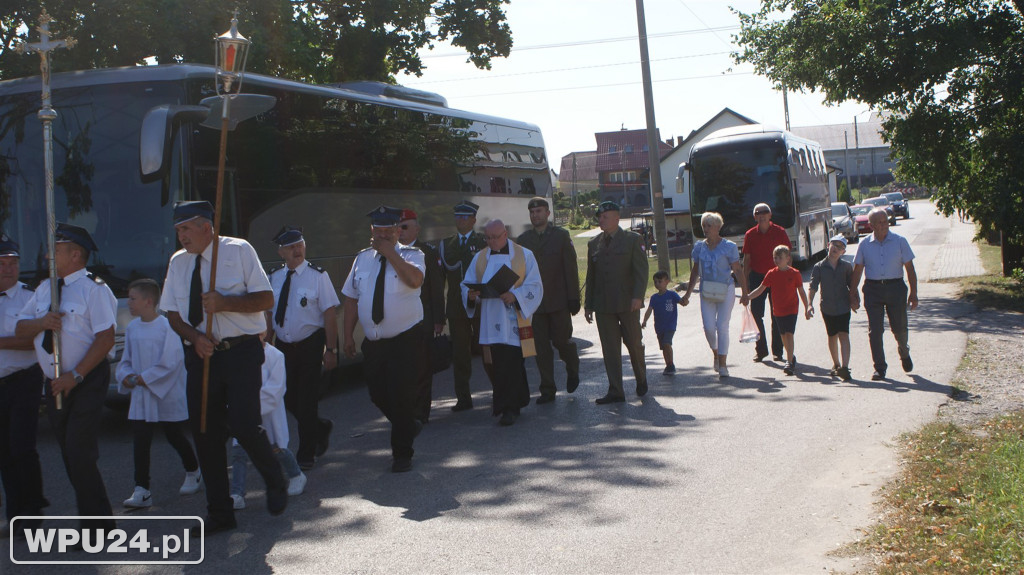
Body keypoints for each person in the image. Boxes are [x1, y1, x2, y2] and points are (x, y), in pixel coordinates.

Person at [161, 200, 287, 535]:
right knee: (205, 432)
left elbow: (265, 299)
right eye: (177, 230)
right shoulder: (178, 263)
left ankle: (275, 478)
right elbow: (172, 313)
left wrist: (225, 302)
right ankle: (220, 512)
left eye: (186, 228)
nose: (181, 236)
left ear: (206, 226)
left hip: (240, 350)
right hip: (201, 354)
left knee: (244, 424)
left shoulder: (238, 251)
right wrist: (194, 337)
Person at [16, 223, 117, 533]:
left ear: (76, 255)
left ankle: (95, 529)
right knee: (70, 455)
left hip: (84, 378)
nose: (49, 255)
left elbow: (106, 338)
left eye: (56, 250)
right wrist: (42, 322)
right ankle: (101, 523)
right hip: (55, 382)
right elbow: (21, 329)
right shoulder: (45, 289)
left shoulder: (94, 288)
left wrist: (75, 375)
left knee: (79, 452)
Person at [342, 205, 428, 472]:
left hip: (406, 339)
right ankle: (408, 425)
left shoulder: (413, 255)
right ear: (372, 231)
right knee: (377, 393)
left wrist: (391, 254)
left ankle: (402, 454)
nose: (384, 235)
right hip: (375, 342)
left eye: (389, 231)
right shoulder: (362, 259)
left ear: (397, 231)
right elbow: (351, 299)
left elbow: (415, 281)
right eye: (379, 231)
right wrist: (347, 336)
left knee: (401, 394)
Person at [116, 278, 201, 509]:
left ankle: (193, 470)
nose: (129, 303)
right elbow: (126, 360)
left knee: (174, 435)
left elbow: (171, 361)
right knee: (140, 440)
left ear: (148, 301)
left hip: (164, 392)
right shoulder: (132, 328)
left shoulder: (167, 326)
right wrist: (125, 375)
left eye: (133, 299)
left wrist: (146, 378)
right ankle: (142, 489)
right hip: (142, 395)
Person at [268, 226, 339, 470]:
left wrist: (331, 350)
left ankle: (306, 452)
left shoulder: (317, 276)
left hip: (310, 343)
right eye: (290, 247)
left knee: (307, 400)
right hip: (283, 347)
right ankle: (319, 427)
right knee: (287, 397)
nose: (297, 250)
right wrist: (266, 347)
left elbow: (329, 314)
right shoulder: (274, 277)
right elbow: (269, 316)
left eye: (299, 244)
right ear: (281, 252)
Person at [463, 219, 544, 425]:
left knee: (513, 361)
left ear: (505, 234)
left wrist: (515, 295)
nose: (491, 242)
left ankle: (509, 408)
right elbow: (466, 283)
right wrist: (470, 295)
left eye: (495, 237)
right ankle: (516, 400)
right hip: (491, 318)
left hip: (515, 319)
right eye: (487, 238)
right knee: (498, 363)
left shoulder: (524, 255)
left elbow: (535, 285)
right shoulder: (480, 258)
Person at [0, 233, 47, 535]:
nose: (9, 268)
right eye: (3, 263)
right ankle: (15, 514)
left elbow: (31, 340)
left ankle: (34, 509)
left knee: (22, 446)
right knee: (4, 451)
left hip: (25, 378)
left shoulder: (31, 296)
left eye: (13, 262)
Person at [515, 197, 581, 404]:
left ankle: (572, 368)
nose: (536, 215)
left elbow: (570, 269)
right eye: (532, 212)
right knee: (540, 348)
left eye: (539, 211)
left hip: (558, 300)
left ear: (548, 214)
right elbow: (519, 273)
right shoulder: (523, 240)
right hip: (535, 304)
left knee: (562, 342)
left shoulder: (561, 236)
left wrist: (574, 298)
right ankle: (547, 389)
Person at [584, 201, 649, 403]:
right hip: (604, 305)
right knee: (610, 348)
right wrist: (588, 304)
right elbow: (591, 276)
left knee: (634, 343)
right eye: (599, 217)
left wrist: (638, 297)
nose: (600, 220)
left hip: (628, 303)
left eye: (604, 217)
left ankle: (641, 378)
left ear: (616, 218)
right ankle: (615, 390)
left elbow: (641, 272)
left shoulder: (632, 240)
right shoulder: (594, 243)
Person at [231, 335, 307, 510]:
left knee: (275, 448)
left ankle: (296, 475)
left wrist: (252, 403)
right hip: (244, 410)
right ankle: (237, 493)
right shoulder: (238, 356)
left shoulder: (275, 356)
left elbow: (276, 388)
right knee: (239, 451)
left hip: (267, 412)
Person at [850, 207, 918, 381]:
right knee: (875, 330)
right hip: (873, 290)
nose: (885, 225)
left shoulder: (900, 241)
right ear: (872, 226)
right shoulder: (864, 244)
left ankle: (904, 351)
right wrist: (853, 292)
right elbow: (858, 270)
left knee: (900, 328)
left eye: (886, 221)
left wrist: (914, 293)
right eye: (880, 222)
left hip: (896, 288)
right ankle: (879, 368)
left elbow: (910, 269)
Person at [680, 212, 750, 378]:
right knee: (709, 327)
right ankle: (715, 352)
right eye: (704, 225)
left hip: (726, 289)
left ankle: (723, 363)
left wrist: (745, 293)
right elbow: (695, 270)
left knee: (722, 326)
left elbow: (738, 270)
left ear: (718, 227)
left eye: (709, 225)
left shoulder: (729, 246)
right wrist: (688, 294)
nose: (705, 229)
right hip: (707, 290)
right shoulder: (699, 247)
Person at [439, 201, 487, 411]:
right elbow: (440, 283)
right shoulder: (446, 245)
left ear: (474, 220)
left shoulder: (483, 242)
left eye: (465, 217)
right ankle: (463, 397)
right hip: (457, 307)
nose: (461, 220)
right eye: (458, 217)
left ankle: (500, 392)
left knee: (488, 350)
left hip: (481, 304)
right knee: (460, 353)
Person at [398, 210, 445, 423]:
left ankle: (421, 412)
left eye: (405, 227)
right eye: (398, 227)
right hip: (399, 321)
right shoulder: (392, 253)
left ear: (417, 229)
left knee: (422, 369)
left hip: (423, 319)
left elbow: (436, 288)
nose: (401, 231)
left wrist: (438, 320)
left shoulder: (427, 252)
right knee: (404, 369)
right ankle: (407, 409)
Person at [746, 245, 810, 376]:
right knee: (782, 335)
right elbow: (760, 289)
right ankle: (791, 356)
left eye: (779, 258)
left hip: (791, 309)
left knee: (789, 334)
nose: (776, 260)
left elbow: (801, 291)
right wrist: (748, 297)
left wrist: (807, 306)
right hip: (778, 310)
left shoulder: (795, 274)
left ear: (787, 258)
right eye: (775, 257)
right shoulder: (771, 274)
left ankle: (789, 361)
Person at [742, 203, 792, 362]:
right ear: (755, 217)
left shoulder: (780, 232)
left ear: (770, 215)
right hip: (757, 277)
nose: (761, 215)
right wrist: (745, 284)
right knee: (756, 314)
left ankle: (778, 351)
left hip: (777, 276)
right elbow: (747, 259)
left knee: (777, 314)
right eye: (758, 213)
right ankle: (761, 350)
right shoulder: (750, 234)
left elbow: (788, 256)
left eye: (765, 212)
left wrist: (788, 278)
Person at [807, 236, 855, 381]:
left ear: (843, 251)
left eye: (839, 247)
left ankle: (845, 367)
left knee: (844, 334)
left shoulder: (846, 266)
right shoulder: (819, 266)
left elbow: (852, 286)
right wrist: (809, 304)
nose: (835, 248)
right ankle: (836, 364)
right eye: (834, 245)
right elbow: (813, 286)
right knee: (832, 335)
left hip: (843, 306)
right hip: (827, 307)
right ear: (828, 245)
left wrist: (855, 300)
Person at [642, 270, 684, 375]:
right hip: (659, 327)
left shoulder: (672, 295)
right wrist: (644, 321)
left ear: (667, 282)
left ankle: (671, 365)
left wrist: (685, 299)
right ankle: (668, 365)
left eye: (660, 281)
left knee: (666, 343)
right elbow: (649, 310)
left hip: (670, 326)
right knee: (663, 347)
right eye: (655, 282)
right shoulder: (654, 298)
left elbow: (682, 302)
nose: (657, 284)